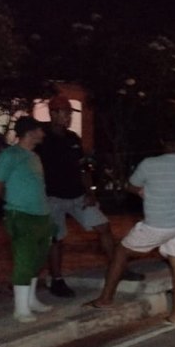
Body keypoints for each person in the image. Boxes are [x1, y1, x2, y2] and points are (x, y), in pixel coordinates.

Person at [86, 125, 175, 325]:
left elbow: (131, 185)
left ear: (162, 142)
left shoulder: (149, 164)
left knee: (120, 251)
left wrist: (142, 191)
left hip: (158, 224)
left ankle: (105, 299)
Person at [36, 95, 140, 298]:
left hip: (77, 195)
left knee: (104, 226)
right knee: (56, 239)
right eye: (65, 113)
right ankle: (57, 280)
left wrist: (90, 192)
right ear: (53, 113)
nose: (68, 117)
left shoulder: (73, 138)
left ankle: (117, 268)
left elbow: (83, 168)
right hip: (52, 197)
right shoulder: (43, 139)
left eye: (68, 113)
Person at [0, 117, 54, 322]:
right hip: (20, 215)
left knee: (37, 260)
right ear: (31, 132)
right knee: (24, 260)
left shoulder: (34, 156)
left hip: (41, 215)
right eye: (40, 129)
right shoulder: (9, 155)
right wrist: (12, 205)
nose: (44, 133)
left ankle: (31, 300)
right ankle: (20, 309)